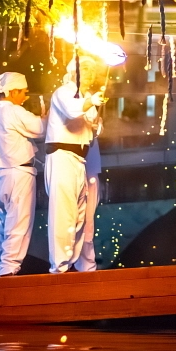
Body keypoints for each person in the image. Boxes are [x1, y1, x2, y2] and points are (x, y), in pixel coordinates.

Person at [45, 61, 106, 273]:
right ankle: (59, 269)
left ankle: (74, 267)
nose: (90, 73)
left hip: (80, 160)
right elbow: (73, 111)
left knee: (80, 218)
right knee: (64, 216)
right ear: (73, 72)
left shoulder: (86, 96)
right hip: (62, 157)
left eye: (91, 69)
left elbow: (92, 129)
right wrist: (90, 102)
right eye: (85, 69)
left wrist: (96, 119)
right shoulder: (63, 92)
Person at [0, 71, 44, 277]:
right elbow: (40, 128)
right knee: (18, 226)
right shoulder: (13, 111)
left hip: (0, 175)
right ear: (13, 91)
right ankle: (8, 273)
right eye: (23, 92)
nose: (24, 96)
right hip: (19, 173)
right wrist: (44, 115)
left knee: (0, 229)